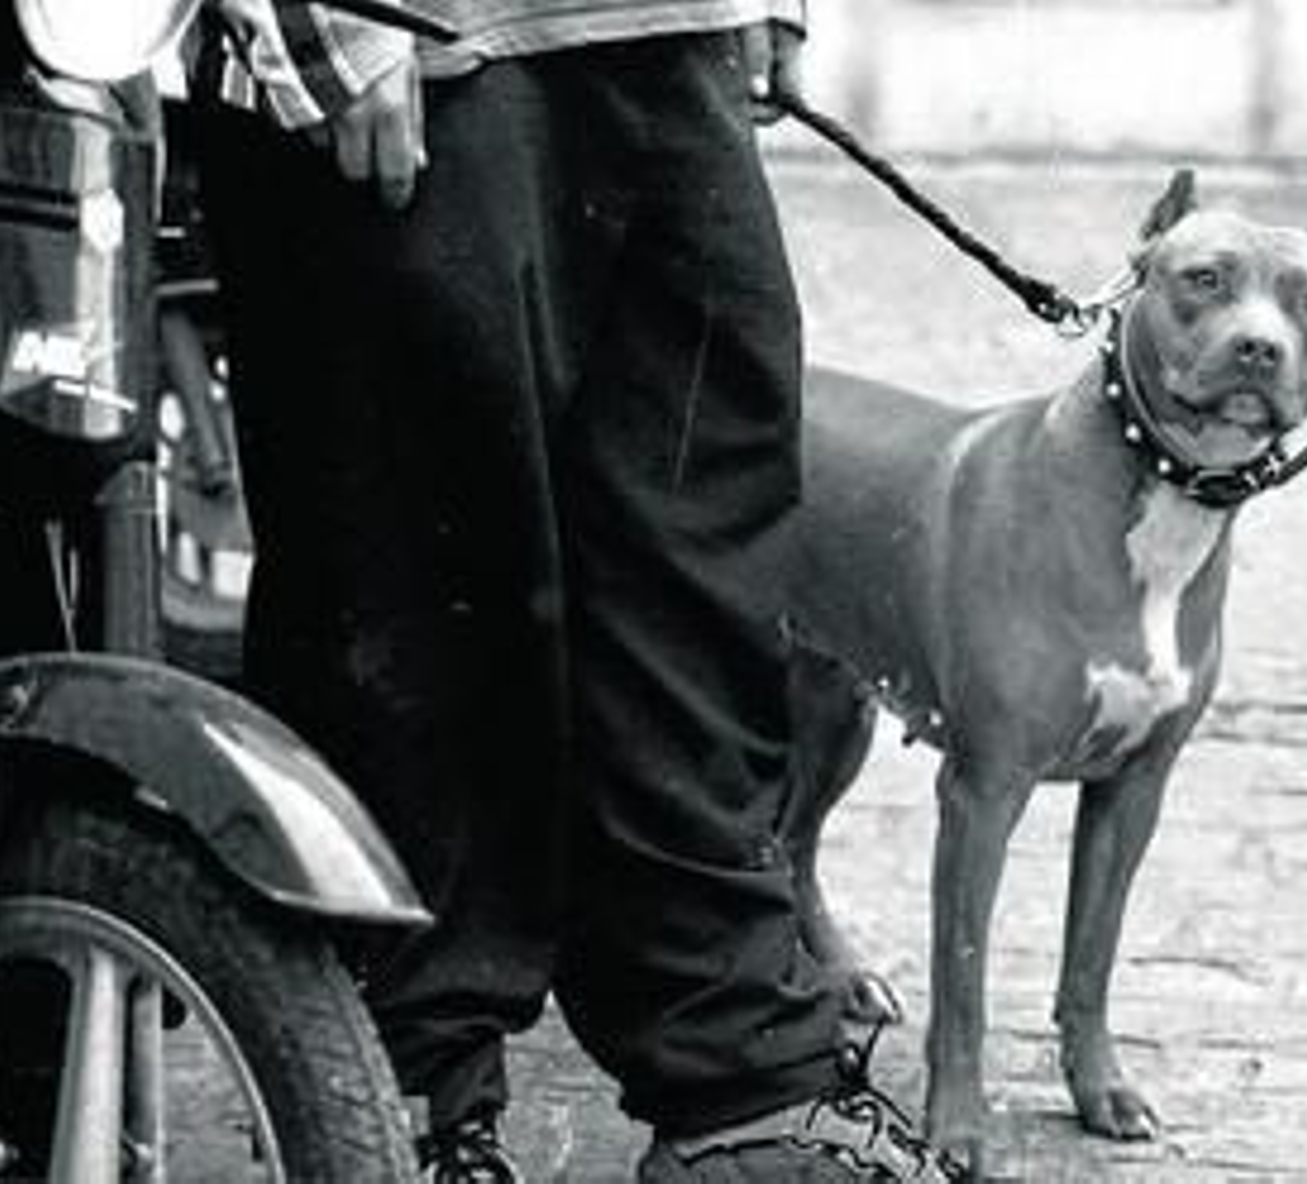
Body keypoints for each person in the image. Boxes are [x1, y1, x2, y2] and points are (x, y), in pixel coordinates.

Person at [190, 1, 966, 1181]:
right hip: (404, 37)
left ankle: (741, 1086)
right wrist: (322, 24)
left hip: (656, 26)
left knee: (696, 563)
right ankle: (406, 1095)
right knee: (415, 580)